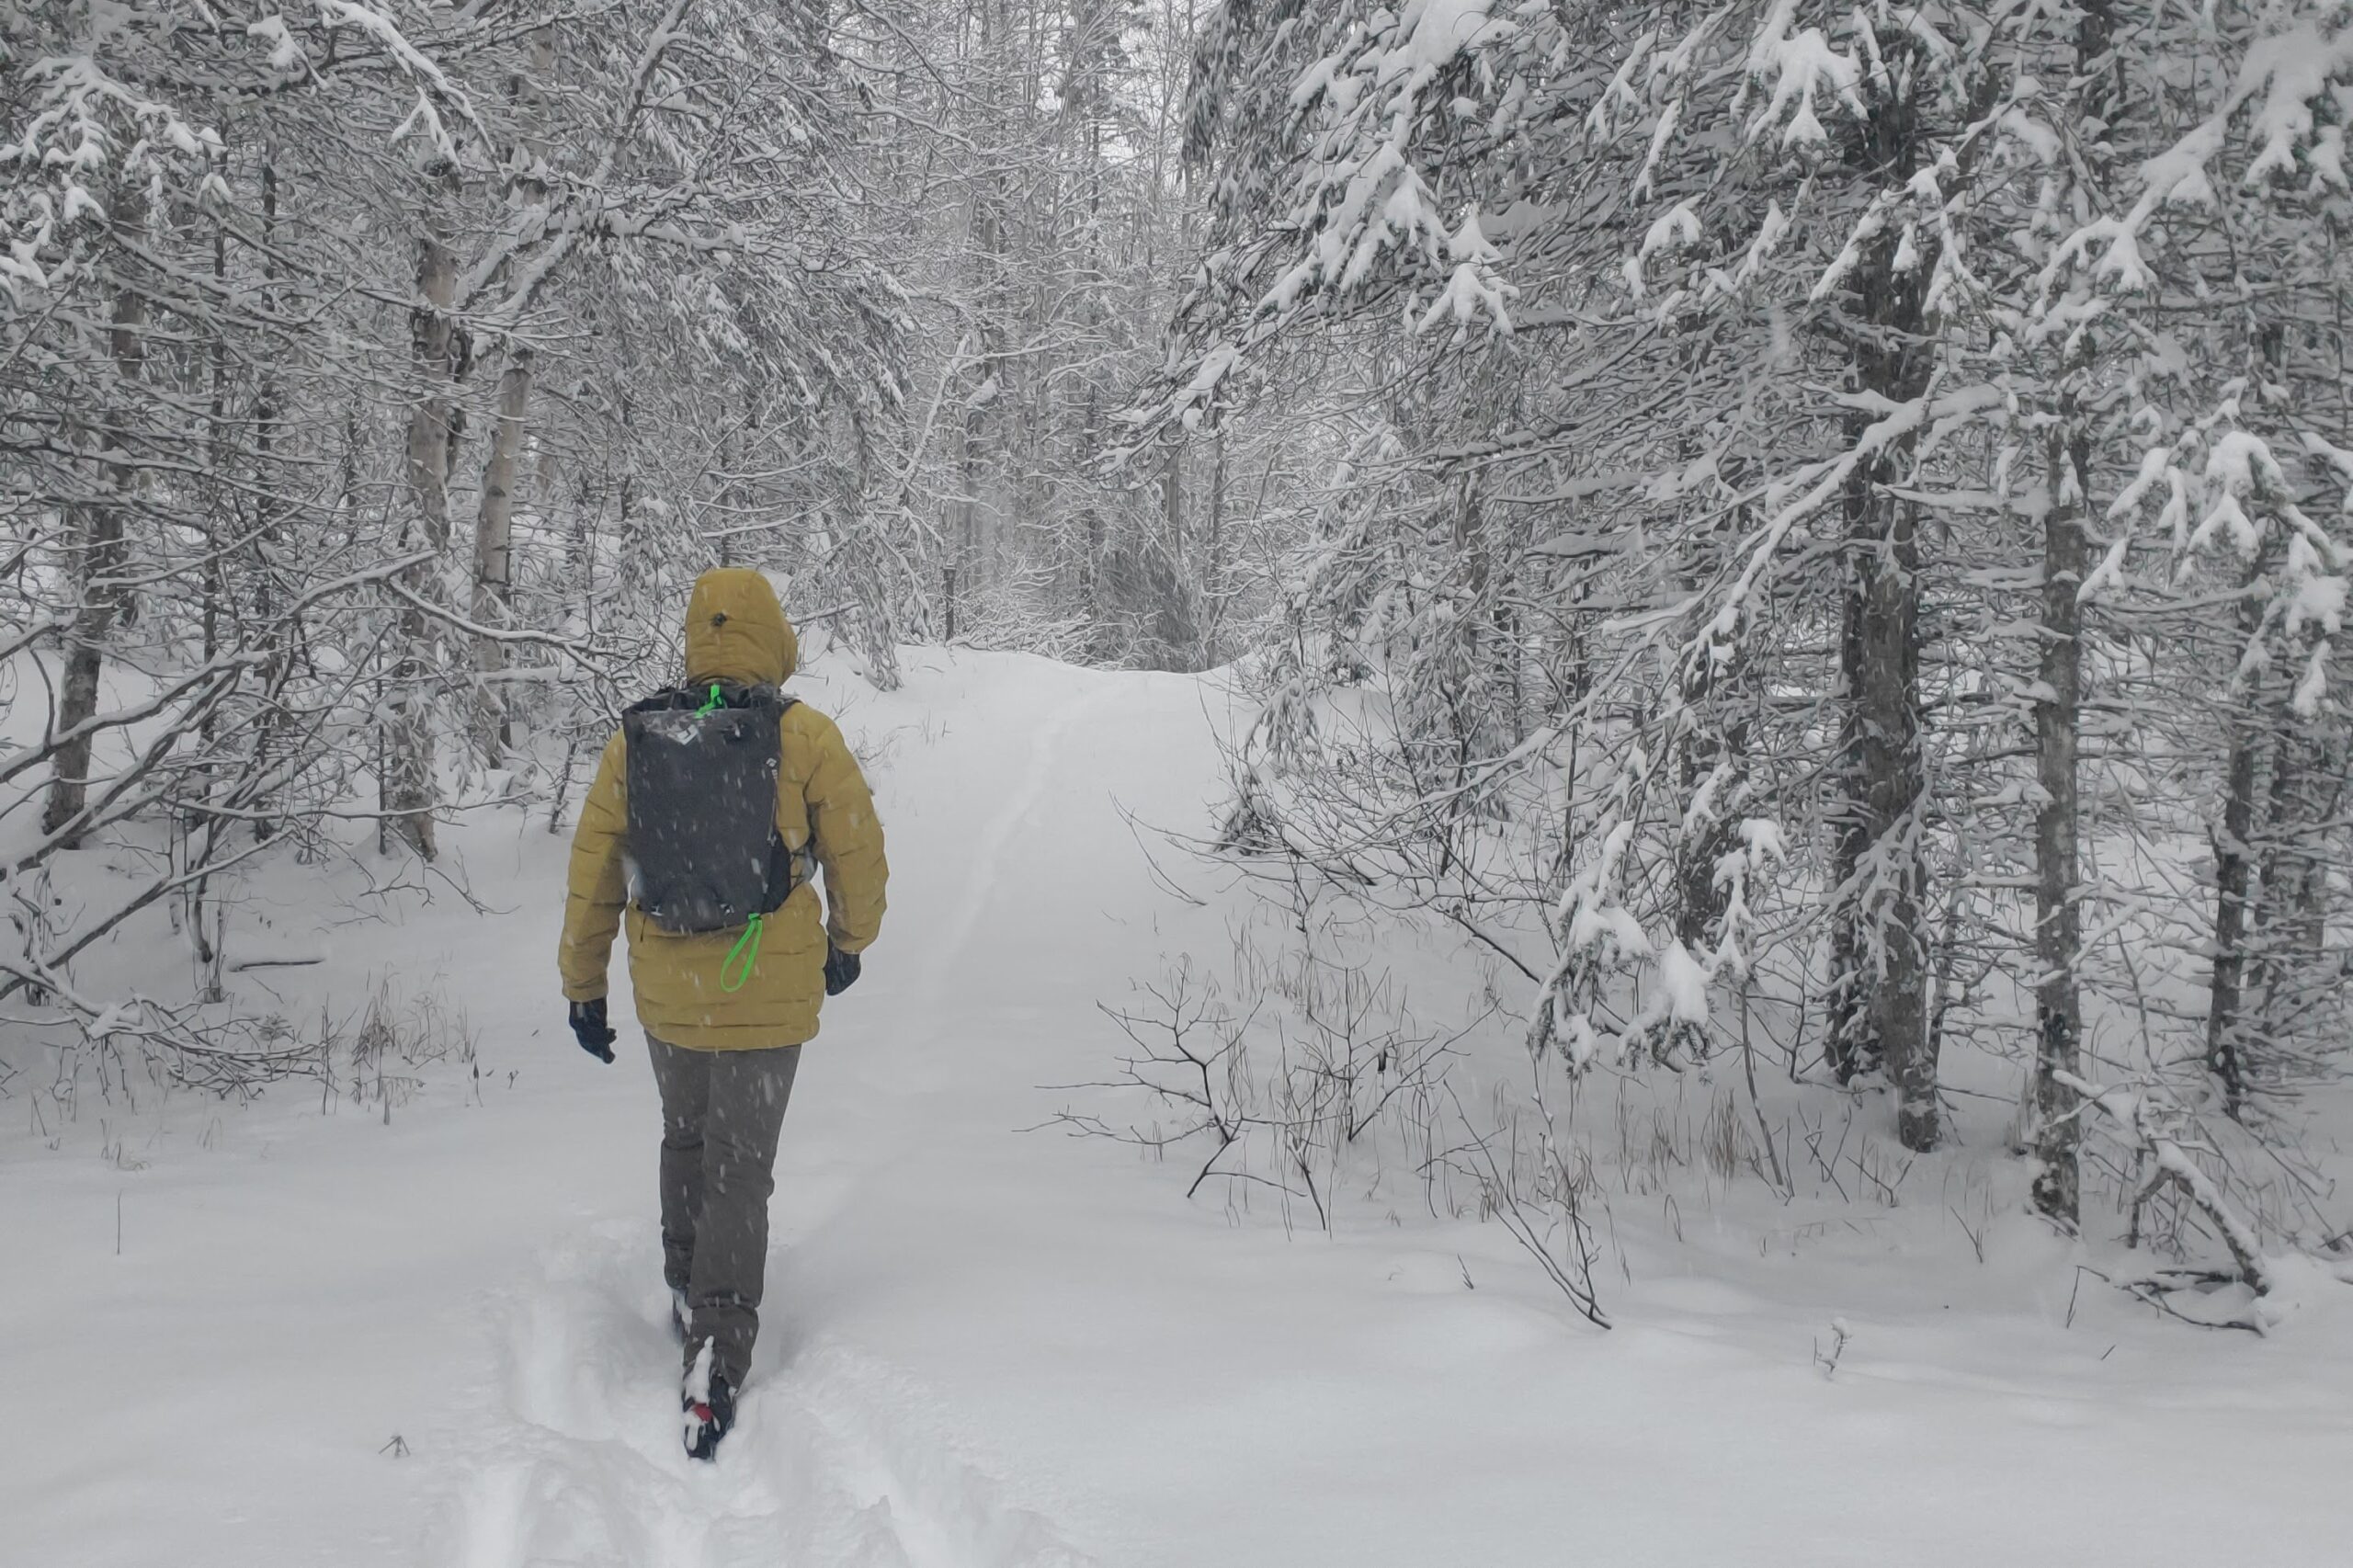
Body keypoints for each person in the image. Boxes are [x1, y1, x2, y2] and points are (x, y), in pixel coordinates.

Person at [556, 568, 887, 1460]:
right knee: (741, 1169)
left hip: (668, 992)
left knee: (685, 1137)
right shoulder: (805, 735)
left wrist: (583, 983)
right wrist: (850, 941)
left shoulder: (640, 740)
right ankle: (718, 1347)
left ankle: (683, 1282)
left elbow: (594, 868)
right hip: (767, 996)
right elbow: (857, 846)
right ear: (773, 639)